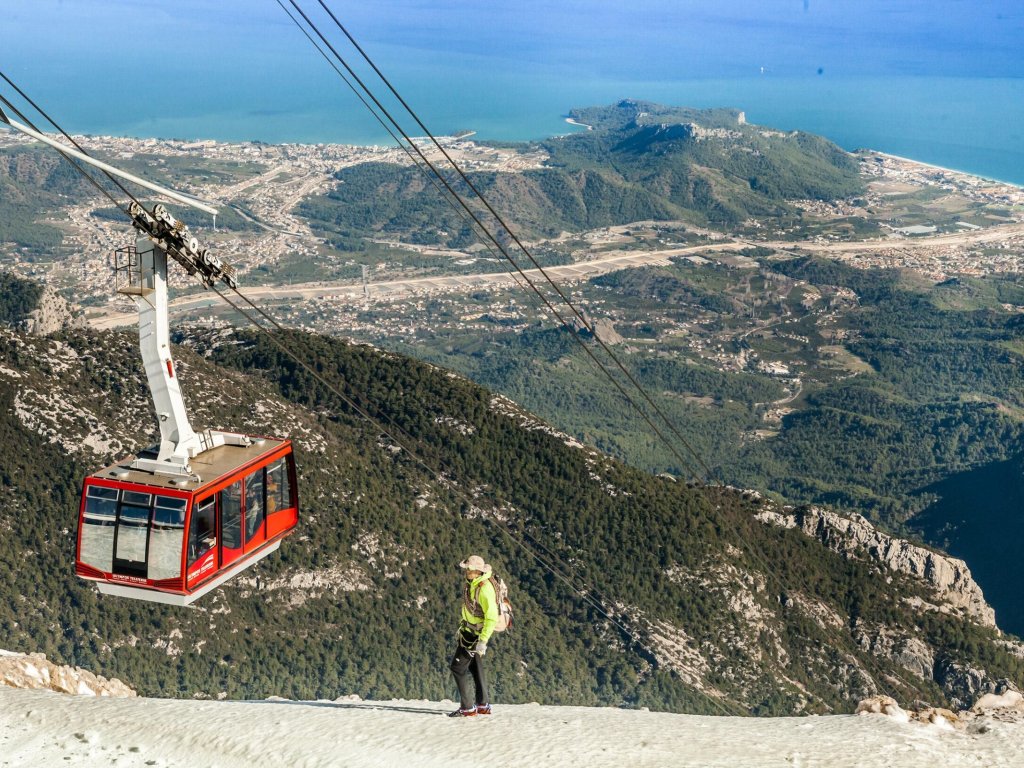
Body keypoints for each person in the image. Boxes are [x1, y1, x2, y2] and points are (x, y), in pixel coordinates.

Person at [448, 554, 499, 717]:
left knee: (457, 667)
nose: (466, 572)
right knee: (475, 666)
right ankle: (483, 705)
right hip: (469, 631)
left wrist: (482, 641)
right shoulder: (474, 583)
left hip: (474, 635)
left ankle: (467, 708)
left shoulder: (484, 589)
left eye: (468, 570)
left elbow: (491, 617)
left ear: (477, 571)